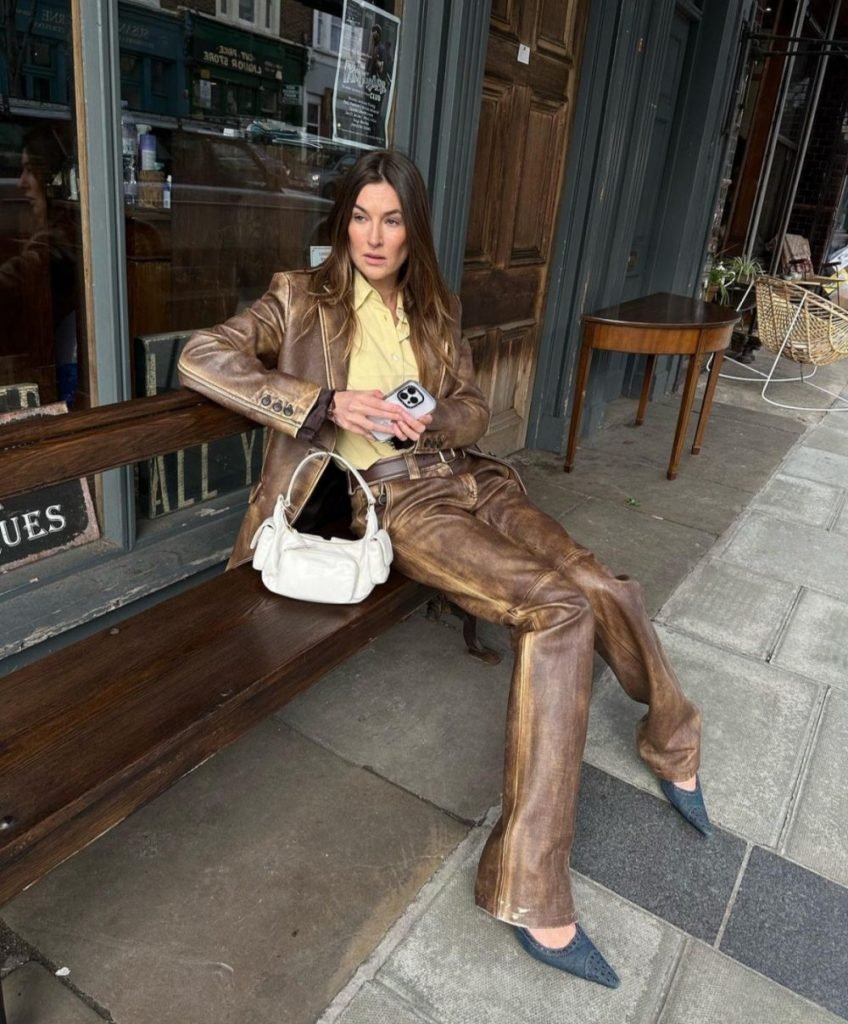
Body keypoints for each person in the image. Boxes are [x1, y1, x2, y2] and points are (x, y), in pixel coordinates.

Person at [178, 149, 710, 989]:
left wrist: (433, 423)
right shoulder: (300, 297)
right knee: (559, 608)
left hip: (470, 478)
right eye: (360, 217)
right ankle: (529, 886)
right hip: (396, 500)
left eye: (391, 220)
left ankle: (673, 736)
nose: (373, 236)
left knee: (599, 583)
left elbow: (471, 404)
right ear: (342, 223)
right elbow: (201, 356)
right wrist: (326, 404)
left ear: (412, 229)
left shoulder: (435, 307)